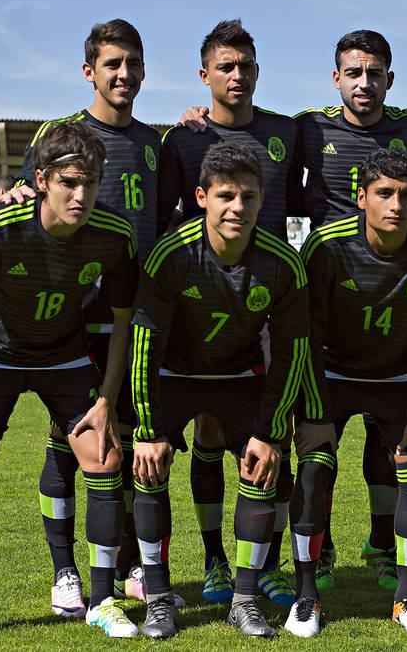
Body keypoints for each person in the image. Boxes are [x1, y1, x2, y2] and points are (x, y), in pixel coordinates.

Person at [178, 29, 407, 594]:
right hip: (304, 292)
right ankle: (245, 557)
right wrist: (200, 118)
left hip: (375, 296)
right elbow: (249, 170)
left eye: (374, 73)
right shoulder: (306, 128)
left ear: (389, 79)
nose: (364, 83)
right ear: (335, 78)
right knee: (251, 430)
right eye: (353, 72)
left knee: (358, 429)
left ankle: (362, 544)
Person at [0, 122, 139, 644]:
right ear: (41, 179)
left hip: (64, 355)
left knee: (105, 455)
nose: (81, 195)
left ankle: (102, 601)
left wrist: (107, 400)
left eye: (91, 182)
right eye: (69, 182)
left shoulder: (114, 235)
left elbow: (123, 319)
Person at [4, 19, 174, 612]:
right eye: (112, 64)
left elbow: (169, 215)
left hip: (135, 318)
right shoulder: (61, 134)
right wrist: (15, 192)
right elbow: (25, 195)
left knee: (124, 441)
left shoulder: (156, 144)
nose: (124, 74)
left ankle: (127, 565)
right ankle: (65, 571)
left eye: (133, 63)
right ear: (89, 72)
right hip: (73, 319)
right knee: (66, 442)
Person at [129, 141, 308, 639]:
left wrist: (269, 432)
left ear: (262, 199)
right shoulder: (172, 254)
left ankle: (244, 599)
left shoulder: (282, 263)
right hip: (175, 376)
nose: (237, 207)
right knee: (149, 466)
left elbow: (291, 353)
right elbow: (144, 347)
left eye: (248, 196)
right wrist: (148, 430)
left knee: (261, 468)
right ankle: (158, 598)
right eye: (226, 195)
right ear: (201, 197)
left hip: (238, 377)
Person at [159, 19, 303, 607]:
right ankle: (214, 558)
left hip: (270, 300)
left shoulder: (288, 132)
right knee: (209, 431)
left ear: (258, 72)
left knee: (275, 432)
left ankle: (266, 561)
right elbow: (166, 216)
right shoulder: (183, 139)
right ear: (205, 75)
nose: (236, 74)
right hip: (203, 304)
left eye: (245, 65)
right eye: (225, 66)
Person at [289, 148, 407, 638]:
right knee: (314, 466)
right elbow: (305, 334)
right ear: (361, 197)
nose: (397, 205)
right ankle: (306, 596)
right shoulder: (326, 245)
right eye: (384, 193)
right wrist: (315, 411)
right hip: (332, 374)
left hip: (393, 377)